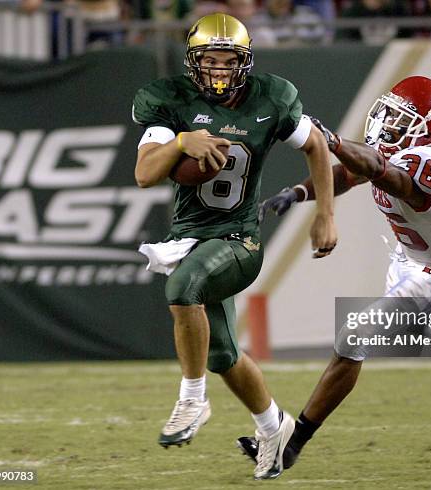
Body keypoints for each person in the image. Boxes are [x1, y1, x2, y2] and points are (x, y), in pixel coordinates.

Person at [236, 76, 431, 470]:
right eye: (389, 113)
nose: (389, 122)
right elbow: (352, 174)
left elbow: (387, 175)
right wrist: (299, 192)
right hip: (410, 260)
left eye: (401, 117)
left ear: (427, 127)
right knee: (429, 327)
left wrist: (333, 141)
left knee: (353, 338)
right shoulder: (404, 146)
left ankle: (290, 444)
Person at [131, 13, 337, 480]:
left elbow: (318, 146)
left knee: (183, 289)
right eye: (210, 60)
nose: (219, 70)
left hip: (240, 238)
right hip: (191, 239)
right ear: (193, 62)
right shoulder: (170, 101)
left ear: (245, 62)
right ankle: (274, 428)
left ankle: (191, 400)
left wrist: (325, 213)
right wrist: (185, 139)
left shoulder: (271, 97)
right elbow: (145, 174)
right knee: (223, 354)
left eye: (229, 60)